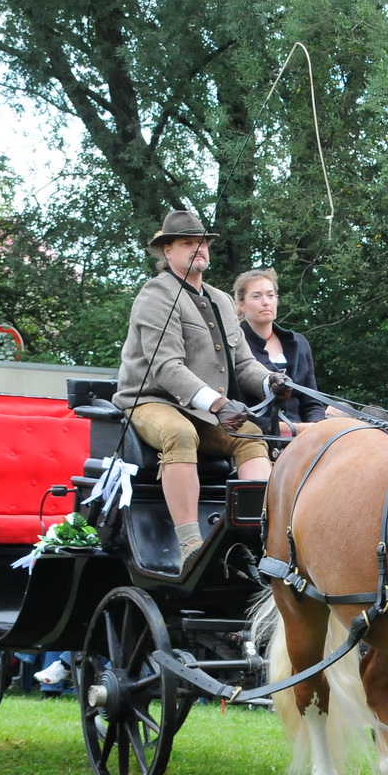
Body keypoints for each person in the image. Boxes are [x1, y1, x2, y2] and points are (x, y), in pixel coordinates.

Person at [112, 211, 275, 570]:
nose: (198, 249)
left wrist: (271, 382)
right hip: (150, 399)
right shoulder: (156, 295)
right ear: (167, 251)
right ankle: (189, 544)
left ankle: (263, 537)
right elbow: (167, 368)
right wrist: (218, 403)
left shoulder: (219, 299)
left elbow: (244, 364)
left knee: (250, 434)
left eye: (202, 242)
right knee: (180, 434)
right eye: (187, 243)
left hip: (203, 408)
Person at [233, 267, 326, 440]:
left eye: (270, 295)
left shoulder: (299, 343)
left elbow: (312, 403)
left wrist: (317, 428)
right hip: (257, 438)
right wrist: (293, 429)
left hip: (306, 437)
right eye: (256, 296)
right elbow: (236, 408)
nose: (265, 302)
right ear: (241, 304)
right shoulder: (233, 345)